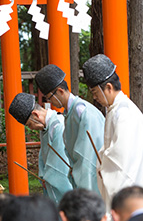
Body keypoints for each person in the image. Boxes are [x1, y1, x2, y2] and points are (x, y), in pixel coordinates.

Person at [82, 54, 143, 210]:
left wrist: (103, 166)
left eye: (95, 92)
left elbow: (122, 160)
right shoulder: (116, 109)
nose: (94, 97)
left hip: (139, 188)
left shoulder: (124, 113)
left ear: (108, 88)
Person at [35, 64, 105, 194]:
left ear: (60, 91)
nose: (50, 102)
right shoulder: (69, 112)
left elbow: (87, 155)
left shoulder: (82, 111)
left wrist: (78, 170)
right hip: (81, 172)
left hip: (93, 175)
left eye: (49, 97)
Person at [9, 92, 73, 203]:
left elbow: (60, 166)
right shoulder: (45, 127)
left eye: (29, 124)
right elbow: (43, 157)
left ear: (36, 115)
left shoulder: (58, 126)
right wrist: (43, 175)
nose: (31, 128)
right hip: (49, 183)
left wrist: (47, 177)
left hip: (64, 186)